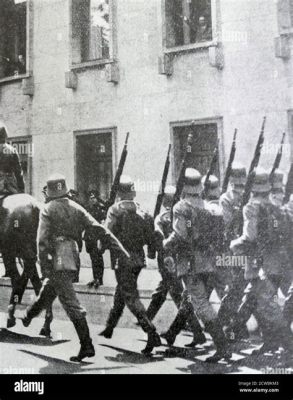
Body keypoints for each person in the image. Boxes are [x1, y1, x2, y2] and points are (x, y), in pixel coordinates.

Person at [22, 174, 130, 362]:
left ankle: (86, 345)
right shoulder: (77, 207)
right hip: (73, 255)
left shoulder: (47, 209)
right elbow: (100, 229)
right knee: (50, 289)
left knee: (69, 301)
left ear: (49, 191)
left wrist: (44, 264)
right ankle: (29, 315)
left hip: (57, 257)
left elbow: (42, 241)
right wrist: (120, 250)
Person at [161, 168, 231, 362]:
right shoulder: (210, 207)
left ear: (183, 186)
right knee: (190, 299)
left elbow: (180, 234)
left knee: (201, 304)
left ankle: (223, 346)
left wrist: (165, 244)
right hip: (209, 262)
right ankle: (173, 332)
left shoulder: (181, 207)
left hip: (191, 263)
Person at [230, 168, 293, 355]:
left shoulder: (251, 207)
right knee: (255, 300)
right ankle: (269, 342)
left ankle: (289, 347)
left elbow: (250, 237)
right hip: (280, 262)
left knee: (268, 306)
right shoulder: (277, 207)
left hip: (260, 264)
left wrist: (233, 245)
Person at [99, 175, 162, 355]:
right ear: (132, 192)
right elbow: (151, 236)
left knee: (130, 295)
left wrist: (101, 247)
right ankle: (109, 327)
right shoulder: (142, 211)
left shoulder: (115, 210)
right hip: (138, 260)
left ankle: (151, 331)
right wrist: (150, 252)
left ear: (119, 192)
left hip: (122, 259)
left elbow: (107, 232)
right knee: (123, 291)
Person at [145, 185, 205, 347]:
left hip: (167, 259)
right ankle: (147, 319)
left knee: (179, 296)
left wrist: (156, 252)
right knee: (165, 290)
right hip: (180, 258)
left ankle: (196, 331)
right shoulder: (181, 213)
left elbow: (157, 236)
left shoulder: (162, 216)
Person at [217, 164, 250, 340]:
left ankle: (225, 324)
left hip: (234, 248)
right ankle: (232, 325)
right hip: (245, 249)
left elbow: (225, 224)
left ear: (230, 179)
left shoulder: (227, 198)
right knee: (242, 287)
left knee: (237, 288)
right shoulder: (248, 196)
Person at [0, 122, 25, 278]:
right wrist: (22, 190)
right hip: (13, 187)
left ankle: (10, 268)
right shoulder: (12, 150)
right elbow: (19, 172)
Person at [84, 191, 106, 288]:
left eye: (93, 198)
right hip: (89, 237)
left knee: (98, 258)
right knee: (93, 258)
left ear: (97, 198)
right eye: (90, 198)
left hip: (97, 237)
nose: (92, 200)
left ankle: (99, 279)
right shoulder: (88, 209)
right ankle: (95, 277)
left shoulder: (101, 209)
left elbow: (102, 226)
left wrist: (101, 239)